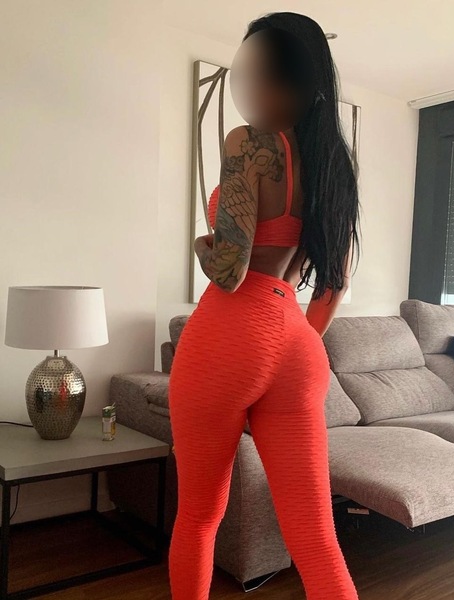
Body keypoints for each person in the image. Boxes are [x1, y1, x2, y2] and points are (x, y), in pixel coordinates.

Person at [168, 11, 360, 600]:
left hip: (229, 333)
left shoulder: (249, 141)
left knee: (199, 516)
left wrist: (201, 246)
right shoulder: (332, 164)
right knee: (316, 537)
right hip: (297, 345)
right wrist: (285, 343)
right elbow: (335, 283)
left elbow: (229, 268)